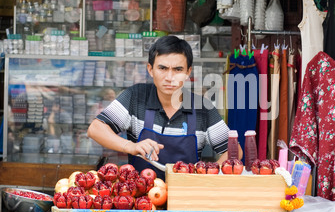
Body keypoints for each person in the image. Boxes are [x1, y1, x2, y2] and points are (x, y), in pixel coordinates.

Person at [87, 35, 241, 179]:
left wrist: (207, 177)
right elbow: (96, 129)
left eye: (178, 69)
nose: (169, 77)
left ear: (188, 72)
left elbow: (235, 151)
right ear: (150, 69)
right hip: (141, 198)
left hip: (185, 198)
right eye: (163, 68)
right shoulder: (135, 97)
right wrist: (131, 146)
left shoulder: (203, 108)